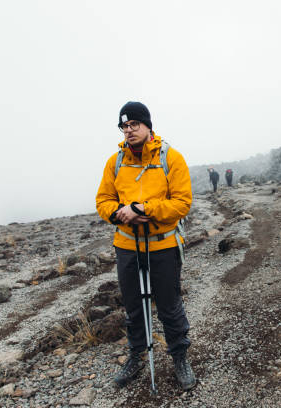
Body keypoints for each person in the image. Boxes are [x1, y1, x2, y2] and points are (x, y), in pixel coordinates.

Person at [95, 101, 196, 391]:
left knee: (169, 305)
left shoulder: (171, 158)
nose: (129, 131)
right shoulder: (115, 162)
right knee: (133, 306)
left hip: (162, 245)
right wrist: (118, 213)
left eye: (134, 125)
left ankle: (180, 357)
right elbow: (103, 200)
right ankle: (136, 355)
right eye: (124, 126)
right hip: (127, 246)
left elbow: (182, 203)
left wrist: (143, 208)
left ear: (148, 126)